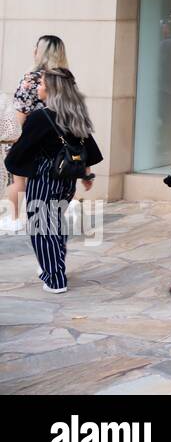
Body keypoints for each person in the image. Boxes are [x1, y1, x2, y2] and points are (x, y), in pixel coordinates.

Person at [3, 68, 100, 293]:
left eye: (42, 84)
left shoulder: (41, 116)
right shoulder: (76, 113)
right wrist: (86, 173)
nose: (38, 87)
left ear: (52, 89)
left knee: (41, 227)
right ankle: (53, 265)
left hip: (45, 177)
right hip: (67, 179)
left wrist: (12, 164)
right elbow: (88, 146)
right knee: (53, 223)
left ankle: (55, 278)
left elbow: (23, 148)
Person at [1, 35, 69, 233]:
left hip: (29, 134)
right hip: (55, 137)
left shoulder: (32, 78)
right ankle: (44, 219)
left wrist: (13, 139)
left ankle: (14, 218)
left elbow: (21, 111)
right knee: (44, 179)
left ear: (40, 52)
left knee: (17, 178)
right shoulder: (65, 78)